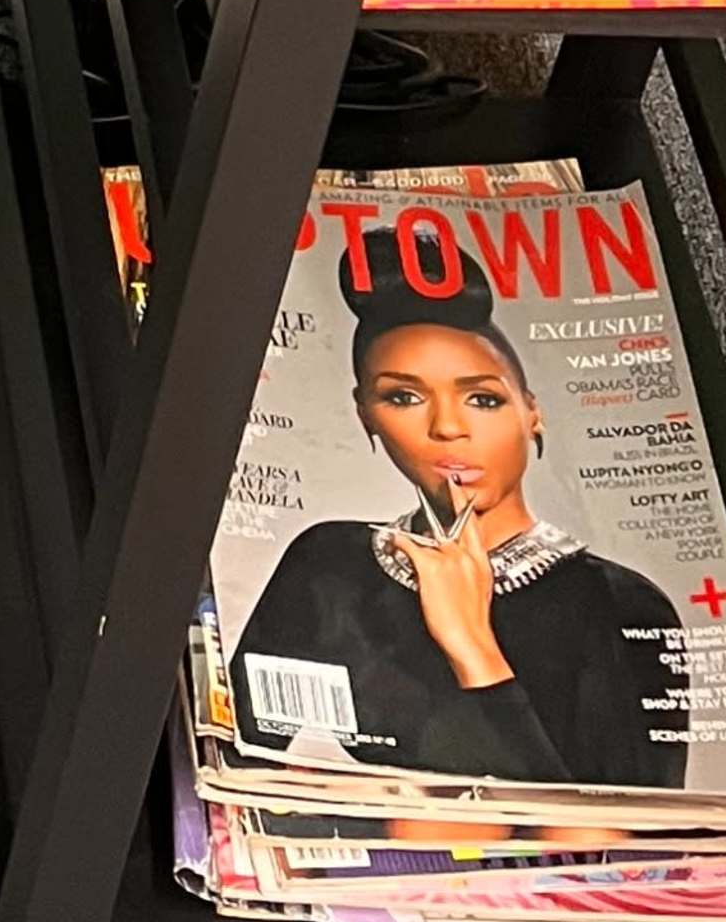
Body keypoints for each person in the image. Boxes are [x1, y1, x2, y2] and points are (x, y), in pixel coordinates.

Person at [226, 245, 685, 790]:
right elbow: (235, 772)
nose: (446, 428)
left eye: (482, 400)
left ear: (531, 411)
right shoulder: (329, 564)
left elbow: (619, 848)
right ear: (365, 415)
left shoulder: (619, 603)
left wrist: (473, 647)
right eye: (402, 397)